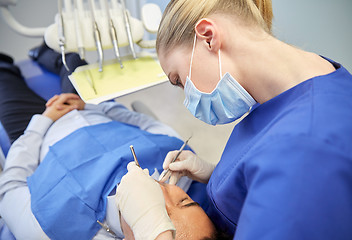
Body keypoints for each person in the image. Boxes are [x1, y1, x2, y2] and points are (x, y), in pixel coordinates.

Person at [115, 0, 352, 239]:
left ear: (208, 37)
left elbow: (293, 177)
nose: (186, 98)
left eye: (179, 80)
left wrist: (152, 227)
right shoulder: (295, 85)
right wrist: (219, 177)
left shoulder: (306, 150)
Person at [0, 50, 217, 240]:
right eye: (185, 202)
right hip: (91, 111)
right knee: (73, 61)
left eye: (161, 217)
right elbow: (148, 124)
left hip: (38, 132)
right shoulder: (184, 172)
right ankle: (45, 52)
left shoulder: (51, 230)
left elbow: (9, 187)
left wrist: (42, 122)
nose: (162, 194)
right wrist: (94, 107)